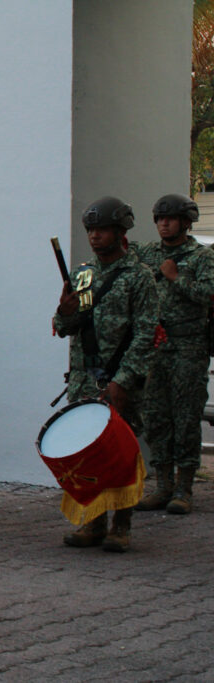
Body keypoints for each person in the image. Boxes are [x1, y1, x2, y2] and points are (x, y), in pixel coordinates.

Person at [53, 196, 158, 551]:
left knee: (121, 452)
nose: (95, 236)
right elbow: (66, 326)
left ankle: (122, 524)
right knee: (87, 451)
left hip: (119, 381)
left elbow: (147, 335)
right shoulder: (83, 274)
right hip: (84, 378)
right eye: (91, 230)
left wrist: (124, 380)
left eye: (101, 229)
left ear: (120, 231)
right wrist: (64, 311)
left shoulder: (139, 277)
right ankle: (93, 521)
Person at [134, 194, 214, 515]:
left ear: (186, 222)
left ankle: (184, 488)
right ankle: (162, 485)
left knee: (185, 417)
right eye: (160, 219)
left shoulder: (201, 257)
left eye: (171, 218)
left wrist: (176, 278)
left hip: (188, 347)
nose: (164, 224)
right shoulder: (147, 253)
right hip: (155, 348)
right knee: (155, 417)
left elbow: (209, 294)